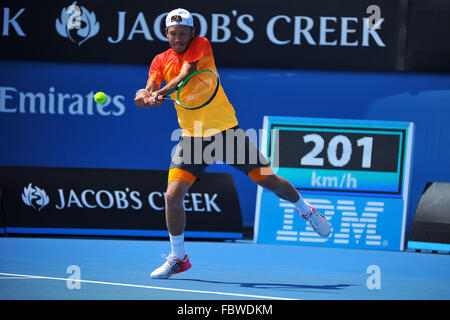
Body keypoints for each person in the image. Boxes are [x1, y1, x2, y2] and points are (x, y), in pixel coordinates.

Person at [134, 8, 331, 279]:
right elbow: (151, 84)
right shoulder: (160, 59)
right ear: (166, 34)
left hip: (227, 134)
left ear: (192, 33)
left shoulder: (200, 45)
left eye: (183, 33)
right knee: (172, 195)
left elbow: (185, 74)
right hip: (192, 138)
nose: (178, 38)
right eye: (173, 33)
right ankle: (178, 257)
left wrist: (159, 93)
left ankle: (306, 211)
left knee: (269, 181)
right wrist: (144, 94)